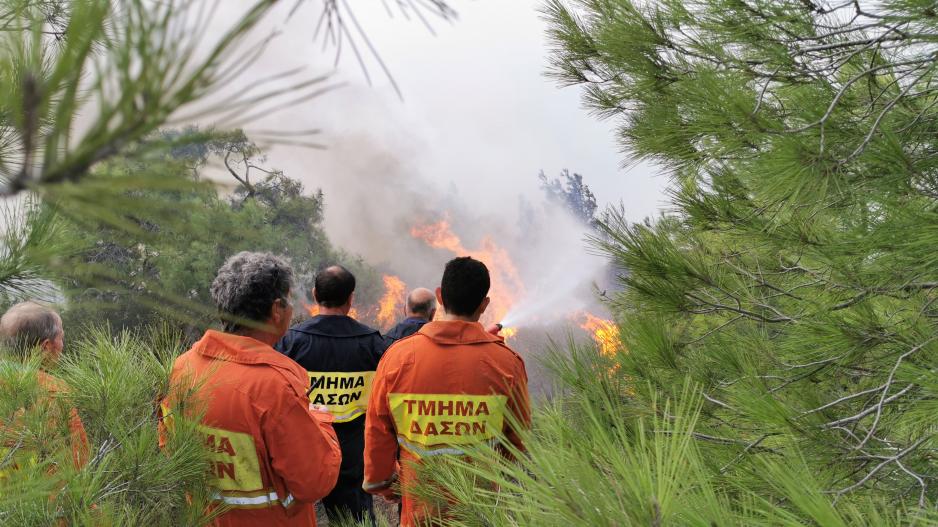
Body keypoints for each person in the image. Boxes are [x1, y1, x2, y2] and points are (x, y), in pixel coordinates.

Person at [160, 252, 341, 527]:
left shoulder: (183, 368)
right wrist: (321, 421)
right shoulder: (274, 386)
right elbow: (315, 481)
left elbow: (170, 447)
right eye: (290, 301)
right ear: (277, 309)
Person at [362, 256, 531, 526]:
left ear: (439, 297)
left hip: (418, 510)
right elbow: (518, 440)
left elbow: (378, 431)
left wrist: (382, 484)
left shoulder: (397, 358)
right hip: (479, 510)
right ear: (484, 304)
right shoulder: (507, 364)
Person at [276, 265, 388, 525]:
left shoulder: (291, 341)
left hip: (302, 453)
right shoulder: (373, 343)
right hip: (353, 457)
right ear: (351, 299)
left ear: (315, 295)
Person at [0, 301, 88, 470]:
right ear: (46, 346)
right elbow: (76, 458)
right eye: (61, 337)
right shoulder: (53, 390)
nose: (62, 346)